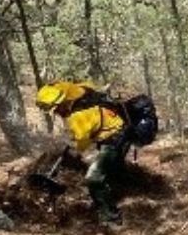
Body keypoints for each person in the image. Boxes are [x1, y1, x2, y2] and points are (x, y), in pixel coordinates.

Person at [35, 80, 127, 224]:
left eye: (56, 109)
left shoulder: (78, 117)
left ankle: (111, 217)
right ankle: (122, 186)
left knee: (93, 178)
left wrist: (71, 147)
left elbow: (82, 144)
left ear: (62, 102)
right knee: (112, 168)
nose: (57, 113)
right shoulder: (79, 90)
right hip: (114, 126)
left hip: (114, 138)